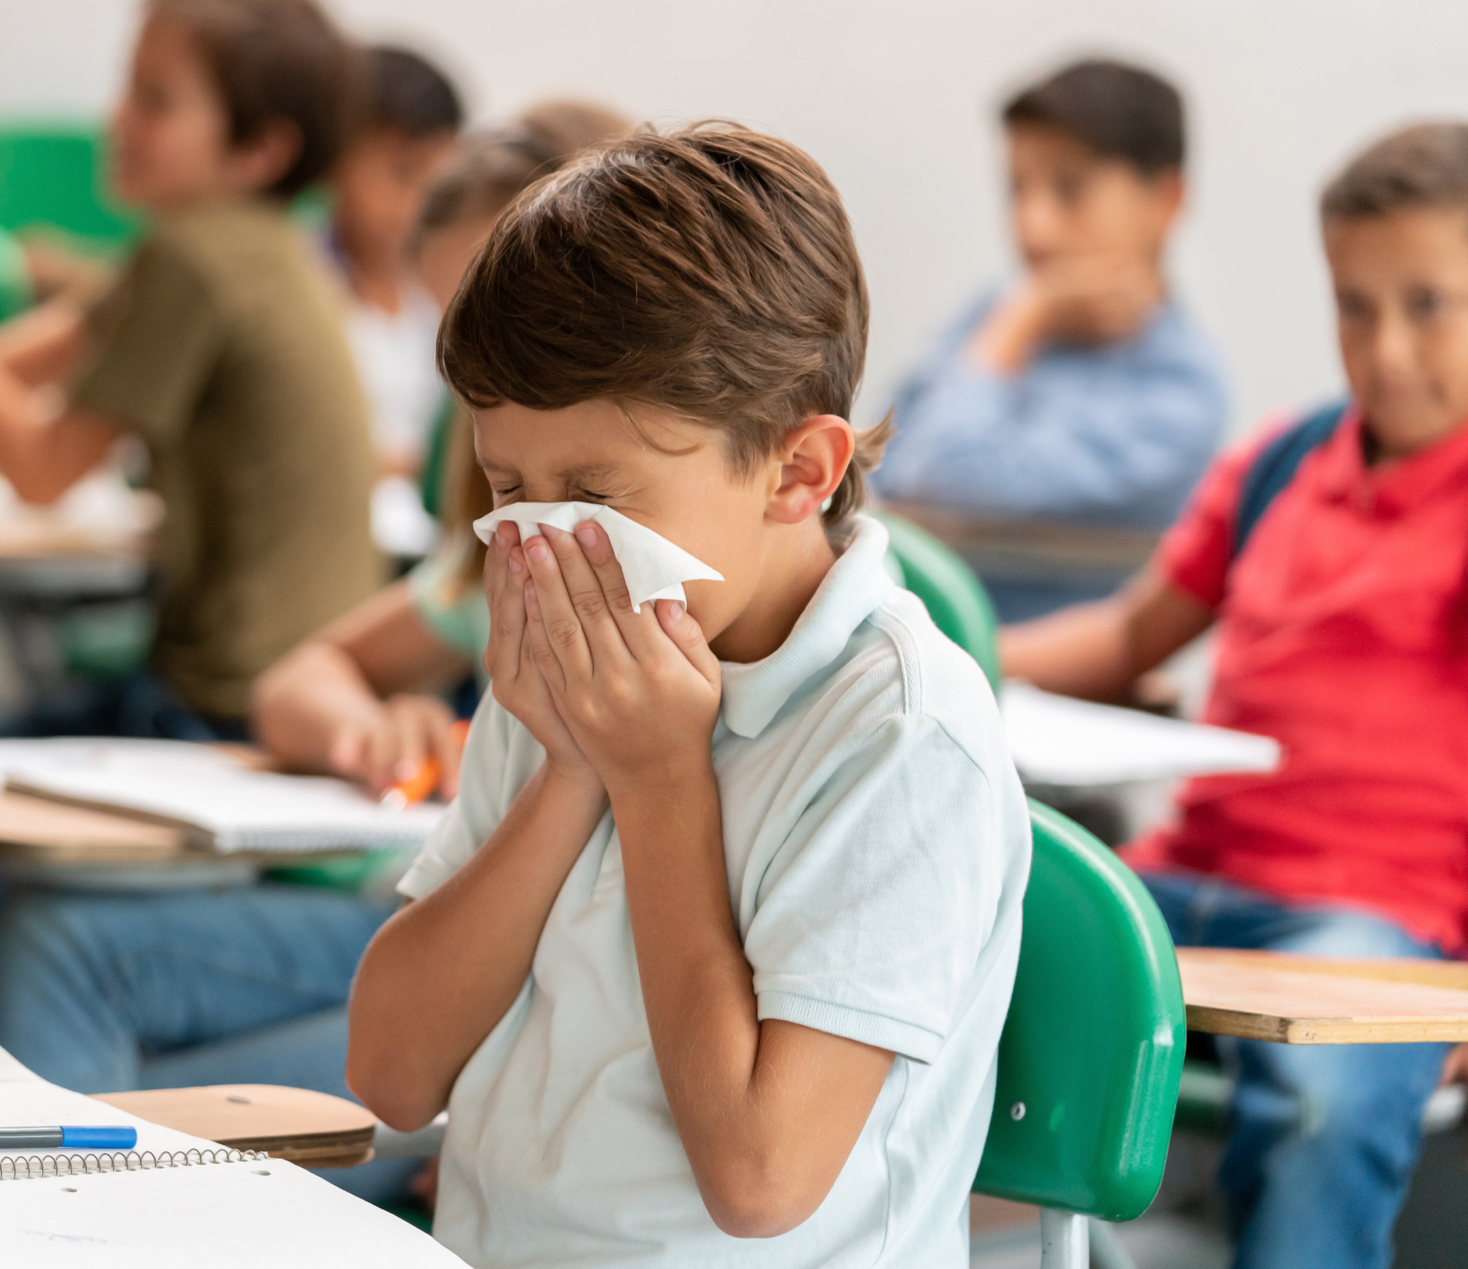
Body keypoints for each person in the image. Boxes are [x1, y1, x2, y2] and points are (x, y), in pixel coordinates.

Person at [347, 124, 1031, 1267]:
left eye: (598, 496)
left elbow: (758, 1178)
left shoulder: (898, 736)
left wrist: (658, 780)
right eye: (510, 488)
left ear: (794, 472)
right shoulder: (576, 672)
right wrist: (571, 768)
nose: (547, 542)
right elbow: (390, 1074)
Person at [1003, 121, 1468, 1269]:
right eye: (1353, 305)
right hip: (1186, 877)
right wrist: (950, 652)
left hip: (1369, 920)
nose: (1385, 348)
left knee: (1315, 1100)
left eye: (1427, 303)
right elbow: (1124, 632)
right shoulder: (1280, 464)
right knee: (938, 931)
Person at [0, 0, 382, 737]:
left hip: (231, 711)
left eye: (156, 101)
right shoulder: (228, 247)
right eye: (128, 89)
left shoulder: (196, 264)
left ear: (262, 149)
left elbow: (37, 470)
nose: (119, 119)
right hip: (272, 691)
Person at [255, 101, 632, 798]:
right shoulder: (511, 548)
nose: (481, 376)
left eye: (513, 320)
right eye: (459, 336)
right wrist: (374, 735)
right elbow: (293, 685)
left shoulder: (660, 560)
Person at [876, 57, 1226, 619]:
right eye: (1017, 189)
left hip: (1035, 686)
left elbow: (936, 478)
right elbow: (866, 467)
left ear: (1167, 201)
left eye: (1070, 189)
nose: (1032, 225)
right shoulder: (993, 313)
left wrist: (1024, 317)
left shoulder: (1178, 392)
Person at [326, 44, 463, 477]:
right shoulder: (302, 278)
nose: (416, 205)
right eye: (401, 172)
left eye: (437, 182)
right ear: (335, 158)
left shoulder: (443, 285)